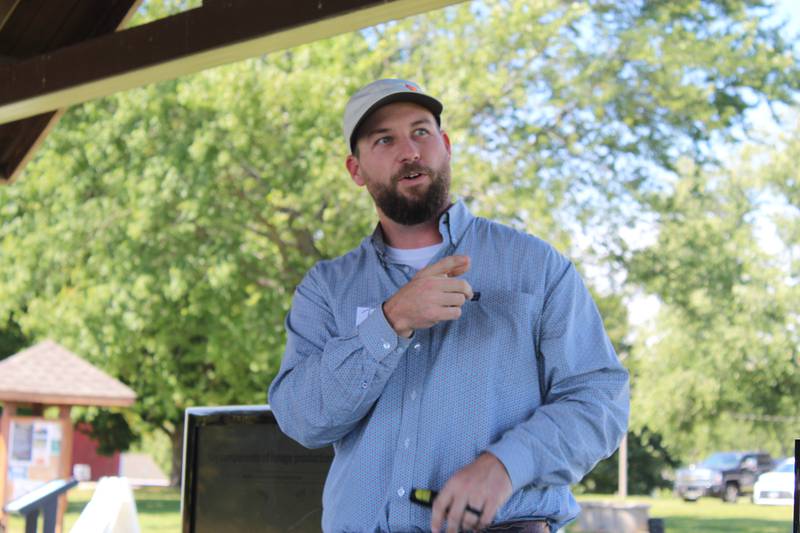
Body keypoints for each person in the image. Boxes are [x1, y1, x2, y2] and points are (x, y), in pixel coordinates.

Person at [268, 79, 629, 533]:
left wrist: (505, 465)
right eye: (385, 139)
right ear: (355, 170)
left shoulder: (536, 266)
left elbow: (599, 401)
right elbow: (301, 418)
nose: (409, 151)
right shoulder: (325, 288)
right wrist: (391, 320)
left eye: (421, 132)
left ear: (446, 145)